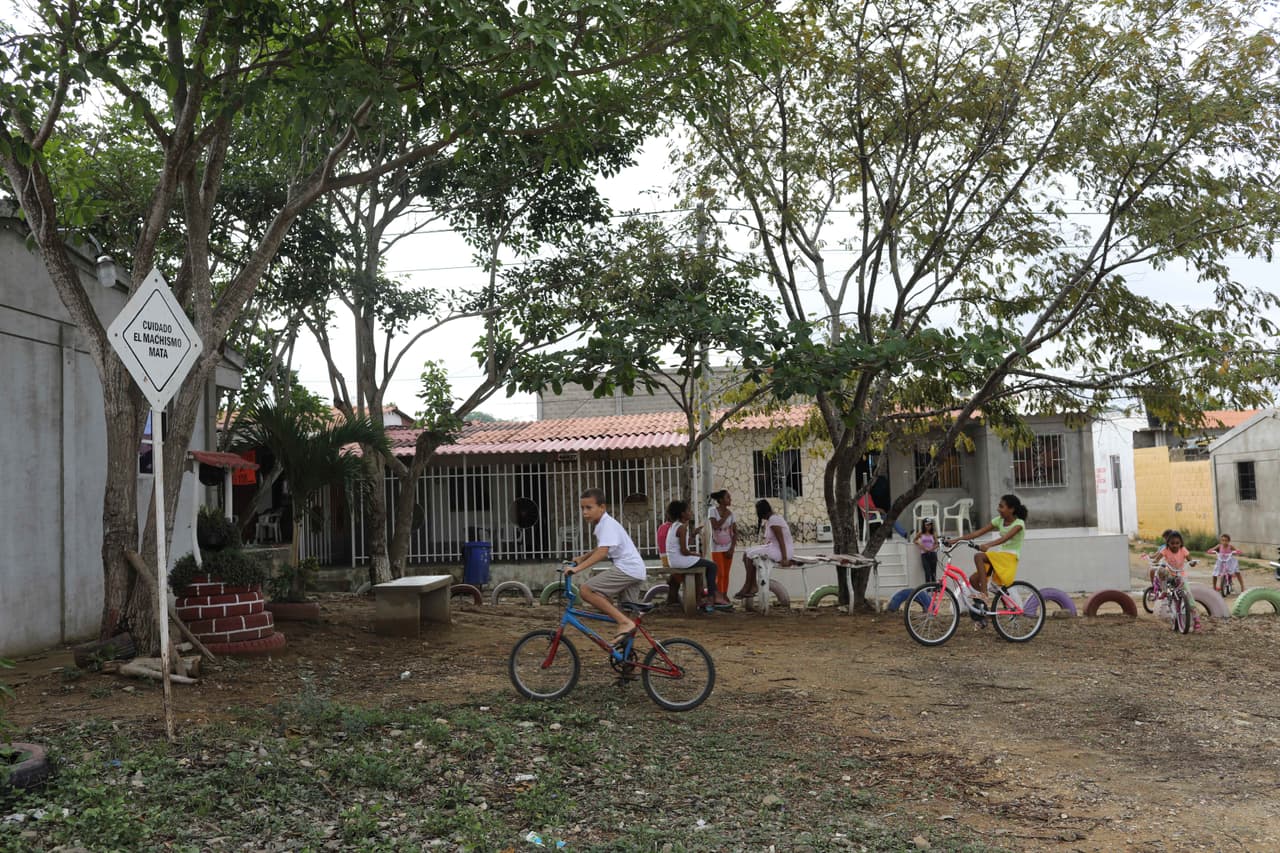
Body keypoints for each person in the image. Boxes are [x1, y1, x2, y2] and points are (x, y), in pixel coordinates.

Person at [566, 488, 647, 644]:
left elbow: (602, 553)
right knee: (625, 617)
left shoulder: (606, 524)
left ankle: (624, 622)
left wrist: (576, 569)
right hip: (635, 571)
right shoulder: (604, 524)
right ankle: (626, 655)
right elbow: (602, 547)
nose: (584, 512)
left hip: (627, 569)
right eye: (582, 508)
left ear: (602, 507)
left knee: (586, 590)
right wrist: (582, 558)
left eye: (589, 508)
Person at [951, 494, 1027, 612]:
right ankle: (982, 610)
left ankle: (984, 593)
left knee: (979, 557)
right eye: (999, 506)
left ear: (1011, 509)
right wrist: (954, 540)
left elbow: (1005, 538)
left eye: (1001, 506)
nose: (998, 509)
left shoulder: (1019, 524)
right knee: (973, 580)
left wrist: (988, 545)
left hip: (1010, 557)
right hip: (1000, 556)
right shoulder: (999, 521)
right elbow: (977, 533)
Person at [665, 500, 723, 612]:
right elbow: (684, 551)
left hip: (674, 560)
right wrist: (695, 554)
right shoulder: (682, 527)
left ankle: (699, 599)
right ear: (682, 514)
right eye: (688, 511)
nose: (690, 512)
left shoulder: (674, 526)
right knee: (713, 566)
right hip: (680, 560)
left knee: (700, 570)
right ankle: (711, 596)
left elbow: (683, 544)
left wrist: (693, 534)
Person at [733, 499, 795, 600]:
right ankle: (752, 584)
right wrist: (764, 548)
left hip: (783, 550)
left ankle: (748, 586)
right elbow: (773, 540)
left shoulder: (774, 520)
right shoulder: (771, 519)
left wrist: (784, 558)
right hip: (776, 547)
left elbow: (781, 540)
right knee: (746, 552)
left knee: (750, 555)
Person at [708, 490, 736, 608]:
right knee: (720, 573)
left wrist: (732, 548)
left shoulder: (731, 514)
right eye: (727, 497)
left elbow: (735, 532)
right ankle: (718, 597)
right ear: (720, 500)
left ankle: (724, 595)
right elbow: (715, 526)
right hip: (716, 547)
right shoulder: (712, 511)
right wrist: (725, 516)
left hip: (728, 547)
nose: (730, 499)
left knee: (726, 574)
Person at [913, 518, 940, 584]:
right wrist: (919, 543)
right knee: (927, 573)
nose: (928, 526)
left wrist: (931, 549)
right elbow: (914, 540)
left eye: (930, 525)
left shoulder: (933, 533)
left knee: (933, 573)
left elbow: (937, 544)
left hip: (932, 554)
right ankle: (927, 588)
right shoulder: (921, 533)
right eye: (927, 525)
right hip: (924, 554)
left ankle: (934, 588)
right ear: (924, 525)